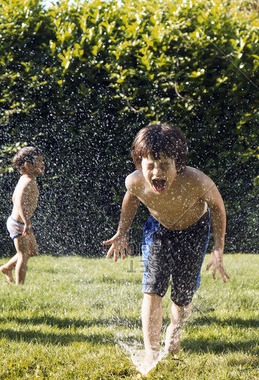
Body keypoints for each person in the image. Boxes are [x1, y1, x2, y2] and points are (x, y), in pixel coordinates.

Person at [103, 124, 230, 365]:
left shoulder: (196, 181)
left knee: (183, 294)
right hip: (159, 231)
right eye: (150, 165)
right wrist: (122, 231)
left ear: (178, 164)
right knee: (153, 286)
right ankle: (151, 351)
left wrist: (218, 247)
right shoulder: (135, 181)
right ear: (140, 163)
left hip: (194, 231)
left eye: (164, 165)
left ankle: (175, 329)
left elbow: (217, 206)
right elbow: (131, 200)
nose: (156, 172)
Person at [0, 146, 44, 284]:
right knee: (23, 255)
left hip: (19, 222)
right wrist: (26, 222)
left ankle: (7, 267)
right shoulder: (28, 181)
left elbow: (14, 197)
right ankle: (20, 288)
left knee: (33, 250)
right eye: (39, 161)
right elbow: (18, 201)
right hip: (19, 223)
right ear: (28, 165)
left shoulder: (26, 178)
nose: (43, 164)